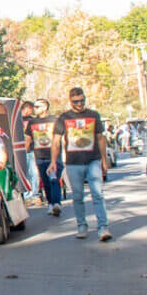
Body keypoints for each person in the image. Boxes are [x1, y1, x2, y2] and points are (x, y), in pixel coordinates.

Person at [49, 87, 112, 241]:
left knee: (98, 194)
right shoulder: (63, 118)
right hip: (73, 163)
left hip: (93, 160)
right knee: (77, 196)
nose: (79, 104)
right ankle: (81, 226)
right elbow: (56, 141)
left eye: (82, 100)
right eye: (76, 101)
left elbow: (100, 138)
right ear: (70, 101)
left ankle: (103, 227)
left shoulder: (93, 115)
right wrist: (53, 161)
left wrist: (104, 160)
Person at [26, 98, 62, 216]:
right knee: (45, 181)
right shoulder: (32, 122)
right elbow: (28, 138)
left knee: (54, 179)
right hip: (39, 156)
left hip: (54, 156)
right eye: (34, 107)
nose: (34, 109)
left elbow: (61, 138)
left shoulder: (55, 120)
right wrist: (24, 152)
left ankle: (57, 203)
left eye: (37, 107)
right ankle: (51, 203)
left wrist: (65, 155)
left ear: (45, 107)